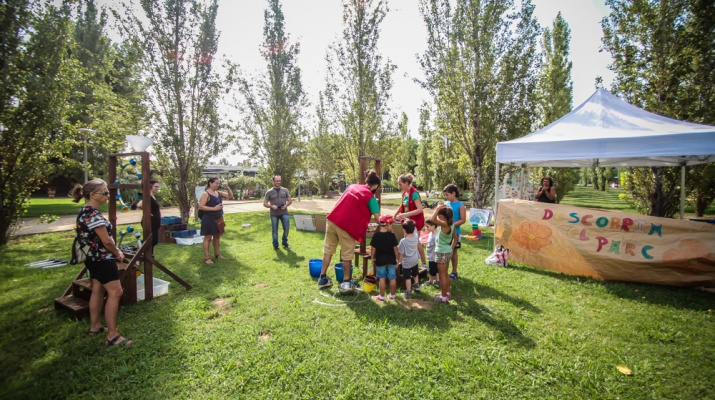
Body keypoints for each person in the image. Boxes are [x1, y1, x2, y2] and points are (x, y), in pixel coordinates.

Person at [70, 179, 132, 346]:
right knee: (116, 292)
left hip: (92, 259)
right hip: (102, 259)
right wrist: (117, 252)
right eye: (104, 192)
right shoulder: (92, 214)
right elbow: (106, 241)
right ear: (93, 195)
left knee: (97, 289)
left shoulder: (84, 211)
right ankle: (113, 336)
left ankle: (95, 326)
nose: (107, 195)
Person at [317, 169, 382, 289]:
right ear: (376, 186)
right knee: (347, 255)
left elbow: (345, 204)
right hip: (346, 227)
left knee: (328, 250)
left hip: (332, 220)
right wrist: (390, 221)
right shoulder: (371, 198)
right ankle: (346, 281)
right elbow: (379, 219)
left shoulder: (352, 186)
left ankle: (322, 278)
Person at [198, 177, 233, 264]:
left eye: (218, 183)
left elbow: (230, 196)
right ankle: (207, 258)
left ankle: (217, 254)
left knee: (217, 236)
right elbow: (201, 206)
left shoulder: (218, 193)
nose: (218, 185)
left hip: (218, 218)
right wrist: (214, 208)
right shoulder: (205, 194)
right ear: (210, 183)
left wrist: (227, 188)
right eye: (216, 183)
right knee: (208, 237)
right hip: (208, 218)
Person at [429, 204, 457, 303]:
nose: (438, 216)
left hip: (442, 252)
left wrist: (437, 209)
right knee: (445, 274)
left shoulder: (445, 225)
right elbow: (455, 238)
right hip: (447, 251)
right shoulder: (451, 224)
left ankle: (443, 297)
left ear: (443, 217)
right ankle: (447, 292)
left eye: (439, 215)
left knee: (442, 275)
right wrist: (451, 248)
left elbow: (432, 219)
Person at [370, 215, 399, 301]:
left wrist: (372, 258)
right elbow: (395, 249)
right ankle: (392, 296)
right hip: (391, 260)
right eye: (391, 224)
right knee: (392, 278)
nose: (392, 225)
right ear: (387, 224)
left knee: (382, 278)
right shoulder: (392, 235)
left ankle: (381, 297)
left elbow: (373, 249)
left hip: (380, 261)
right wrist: (397, 259)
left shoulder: (376, 235)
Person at [397, 219, 426, 298]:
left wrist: (398, 262)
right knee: (415, 273)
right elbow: (415, 230)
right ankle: (416, 286)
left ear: (404, 230)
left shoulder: (403, 241)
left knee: (407, 277)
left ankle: (408, 292)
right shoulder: (416, 236)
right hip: (415, 259)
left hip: (407, 262)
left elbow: (401, 254)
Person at [443, 184, 466, 280]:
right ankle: (444, 271)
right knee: (445, 251)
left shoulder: (460, 205)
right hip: (445, 233)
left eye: (447, 195)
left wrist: (452, 225)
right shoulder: (445, 203)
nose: (446, 197)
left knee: (453, 252)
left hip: (455, 233)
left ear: (454, 193)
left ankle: (454, 271)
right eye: (444, 195)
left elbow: (463, 219)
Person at [263, 175, 293, 250]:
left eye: (279, 181)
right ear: (273, 181)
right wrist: (271, 206)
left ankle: (284, 242)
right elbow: (265, 203)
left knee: (286, 228)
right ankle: (275, 245)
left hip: (284, 212)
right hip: (274, 214)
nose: (278, 182)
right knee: (275, 230)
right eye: (276, 181)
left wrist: (286, 205)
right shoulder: (269, 192)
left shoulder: (285, 190)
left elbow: (290, 200)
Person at [134, 179, 161, 249]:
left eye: (158, 187)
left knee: (153, 241)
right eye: (156, 186)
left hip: (154, 222)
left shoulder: (152, 196)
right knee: (152, 241)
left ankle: (150, 256)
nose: (157, 188)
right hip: (150, 222)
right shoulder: (147, 196)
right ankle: (140, 249)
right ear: (150, 186)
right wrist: (147, 212)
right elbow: (139, 205)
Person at [423, 219, 439, 287]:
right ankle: (438, 281)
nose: (426, 228)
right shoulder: (430, 234)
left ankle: (430, 281)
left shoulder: (436, 236)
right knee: (435, 269)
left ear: (433, 226)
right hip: (430, 256)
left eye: (427, 226)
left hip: (433, 257)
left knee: (432, 270)